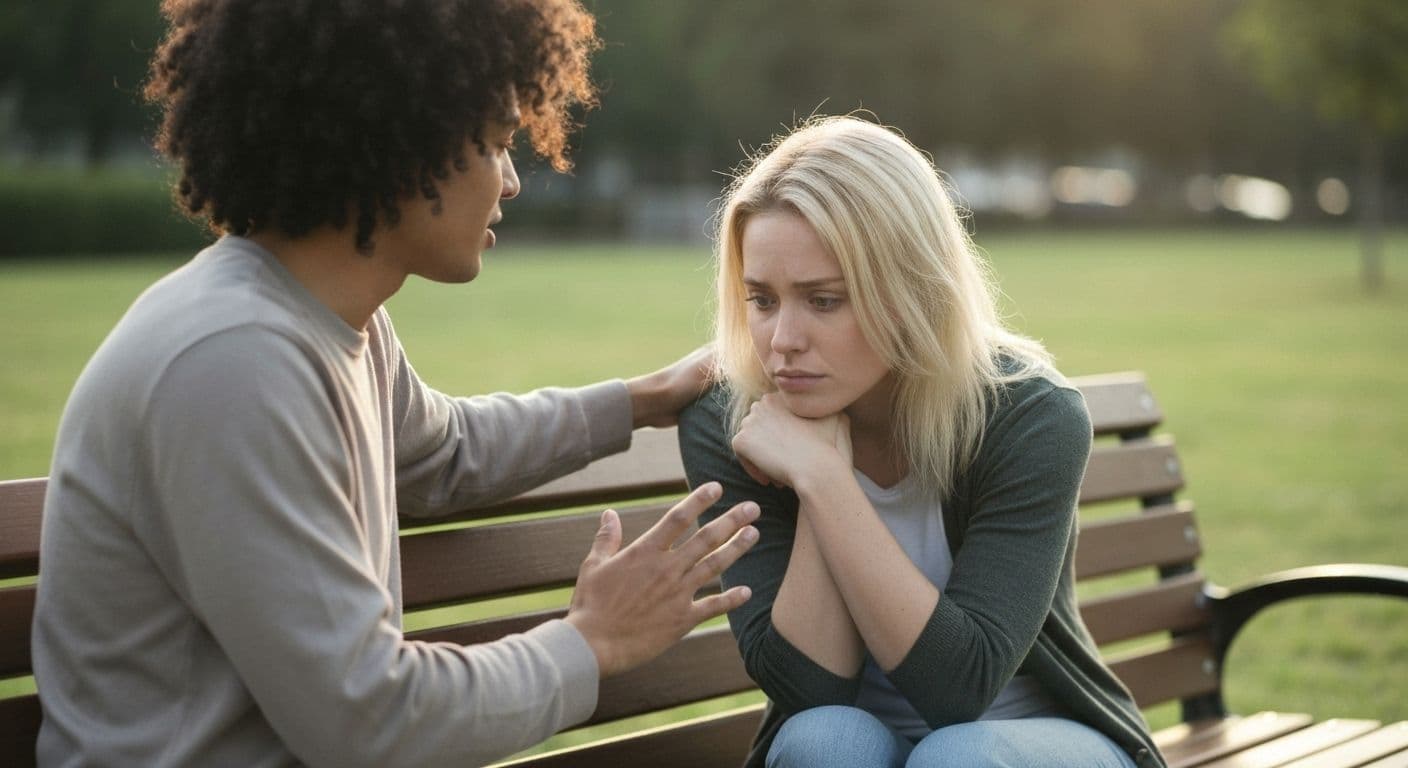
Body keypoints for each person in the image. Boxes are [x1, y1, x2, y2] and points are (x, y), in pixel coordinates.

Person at [32, 2, 760, 766]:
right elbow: (369, 722)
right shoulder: (232, 363)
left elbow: (443, 454)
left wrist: (640, 400)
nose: (511, 180)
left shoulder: (332, 319)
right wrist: (592, 641)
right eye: (499, 142)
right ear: (402, 138)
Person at [677, 115, 1166, 768]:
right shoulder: (729, 418)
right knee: (820, 742)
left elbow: (956, 690)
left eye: (823, 301)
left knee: (953, 757)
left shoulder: (1029, 416)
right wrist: (816, 464)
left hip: (1039, 737)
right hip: (865, 742)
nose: (781, 342)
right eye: (761, 300)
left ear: (909, 291)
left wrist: (823, 477)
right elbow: (810, 689)